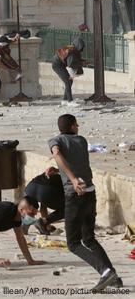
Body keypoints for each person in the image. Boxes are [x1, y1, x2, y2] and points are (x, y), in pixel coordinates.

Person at [49, 114, 122, 291]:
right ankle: (113, 277)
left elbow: (57, 154)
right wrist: (62, 172)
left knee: (73, 243)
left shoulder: (55, 140)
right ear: (73, 126)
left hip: (75, 196)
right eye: (76, 124)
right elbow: (72, 162)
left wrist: (72, 179)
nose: (78, 127)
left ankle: (105, 272)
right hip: (90, 192)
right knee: (89, 238)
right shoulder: (81, 141)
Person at [24, 167, 65, 235]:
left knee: (34, 205)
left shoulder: (53, 174)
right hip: (46, 191)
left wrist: (47, 226)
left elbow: (43, 206)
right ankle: (43, 222)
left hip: (31, 187)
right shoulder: (71, 179)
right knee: (69, 208)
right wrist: (45, 221)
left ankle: (26, 224)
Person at [52, 38, 85, 107]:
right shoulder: (72, 51)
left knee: (69, 81)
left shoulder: (71, 49)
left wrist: (81, 62)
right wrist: (81, 63)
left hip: (60, 65)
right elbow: (71, 63)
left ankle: (64, 100)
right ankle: (70, 101)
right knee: (68, 81)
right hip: (57, 66)